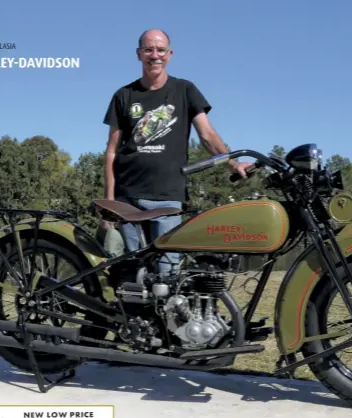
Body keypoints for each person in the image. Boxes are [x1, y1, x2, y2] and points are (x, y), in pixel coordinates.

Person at [102, 28, 249, 277]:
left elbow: (208, 136)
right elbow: (111, 152)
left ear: (170, 54)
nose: (155, 55)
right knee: (131, 276)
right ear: (139, 54)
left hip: (167, 199)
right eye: (148, 49)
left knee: (168, 275)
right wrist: (109, 203)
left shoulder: (185, 90)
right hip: (127, 201)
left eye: (160, 50)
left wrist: (232, 165)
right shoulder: (124, 95)